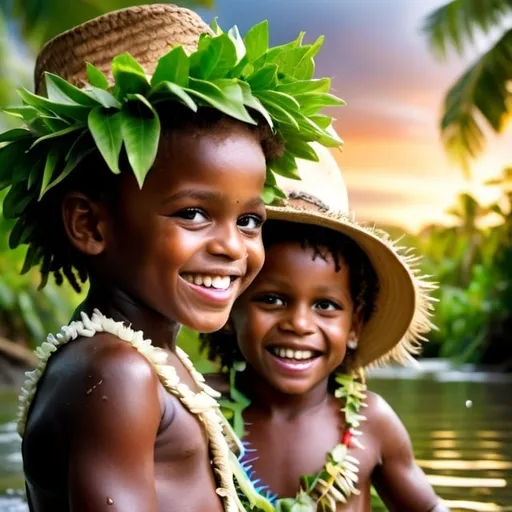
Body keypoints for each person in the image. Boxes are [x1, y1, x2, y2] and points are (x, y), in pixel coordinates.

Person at [0, 5, 343, 511]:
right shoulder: (119, 373)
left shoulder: (145, 358)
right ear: (90, 225)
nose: (232, 246)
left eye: (249, 220)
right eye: (193, 214)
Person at [202, 147, 449, 511]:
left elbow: (429, 508)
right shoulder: (199, 406)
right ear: (229, 309)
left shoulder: (371, 423)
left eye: (325, 306)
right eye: (272, 300)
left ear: (355, 325)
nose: (299, 324)